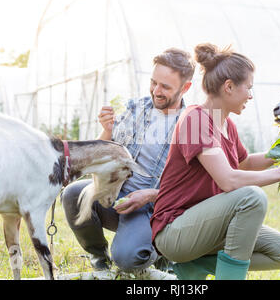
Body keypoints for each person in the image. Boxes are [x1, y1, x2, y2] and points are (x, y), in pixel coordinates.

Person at [150, 43, 280, 280]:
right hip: (175, 232)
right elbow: (229, 180)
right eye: (248, 88)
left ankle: (196, 267)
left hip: (207, 227)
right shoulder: (195, 119)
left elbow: (244, 164)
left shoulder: (226, 124)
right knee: (251, 197)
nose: (251, 95)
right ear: (229, 87)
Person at [61, 48, 196, 279]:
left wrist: (148, 196)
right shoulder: (135, 108)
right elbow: (101, 154)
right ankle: (98, 256)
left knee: (128, 259)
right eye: (153, 82)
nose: (156, 91)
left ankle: (160, 252)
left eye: (165, 86)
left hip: (150, 209)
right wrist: (107, 129)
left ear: (185, 88)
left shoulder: (192, 124)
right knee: (73, 194)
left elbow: (192, 188)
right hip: (116, 195)